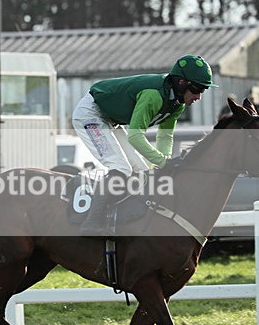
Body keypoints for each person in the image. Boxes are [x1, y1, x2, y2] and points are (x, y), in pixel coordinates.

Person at [71, 54, 217, 235]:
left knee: (141, 170)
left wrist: (163, 163)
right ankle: (92, 222)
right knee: (121, 168)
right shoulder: (153, 95)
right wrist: (163, 163)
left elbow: (165, 137)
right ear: (181, 83)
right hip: (90, 113)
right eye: (197, 89)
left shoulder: (177, 104)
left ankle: (122, 220)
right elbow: (135, 136)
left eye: (203, 91)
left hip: (110, 119)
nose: (199, 96)